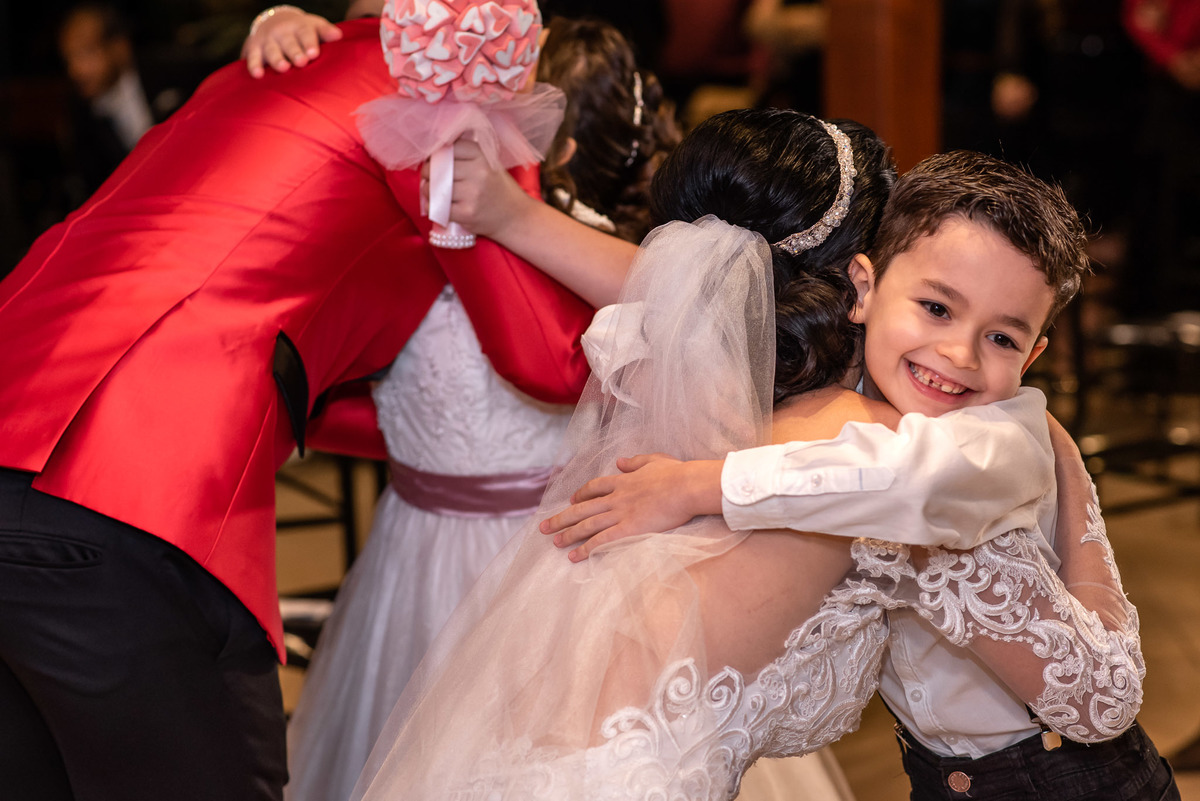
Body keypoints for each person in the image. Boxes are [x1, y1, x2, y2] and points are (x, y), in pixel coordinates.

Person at [0, 8, 631, 800]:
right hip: (123, 483)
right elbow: (548, 357)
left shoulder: (283, 61)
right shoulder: (440, 95)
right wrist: (659, 287)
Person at [541, 149, 1179, 799]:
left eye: (1002, 339)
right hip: (940, 777)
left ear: (1034, 355)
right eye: (937, 308)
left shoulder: (990, 441)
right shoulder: (854, 395)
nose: (958, 353)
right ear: (864, 287)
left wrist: (696, 485)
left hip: (1069, 778)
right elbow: (667, 316)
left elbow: (907, 481)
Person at [279, 16, 680, 801]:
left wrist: (513, 217)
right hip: (411, 554)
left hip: (546, 565)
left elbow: (673, 300)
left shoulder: (580, 249)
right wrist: (286, 26)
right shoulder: (405, 236)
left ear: (558, 151)